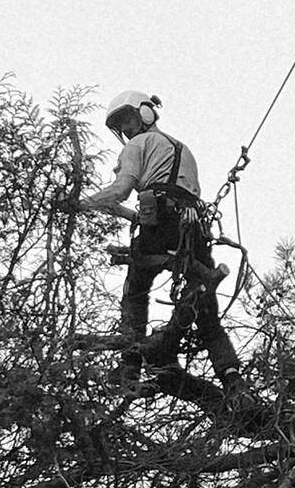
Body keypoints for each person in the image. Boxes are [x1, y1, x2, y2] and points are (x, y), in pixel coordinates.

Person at [76, 90, 242, 395]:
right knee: (207, 313)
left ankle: (130, 367)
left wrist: (80, 205)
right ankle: (234, 384)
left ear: (146, 113)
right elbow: (175, 193)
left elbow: (122, 188)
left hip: (160, 228)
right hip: (193, 231)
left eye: (128, 119)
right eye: (121, 125)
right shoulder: (183, 149)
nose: (126, 129)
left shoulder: (138, 145)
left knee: (135, 291)